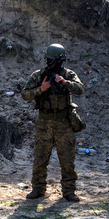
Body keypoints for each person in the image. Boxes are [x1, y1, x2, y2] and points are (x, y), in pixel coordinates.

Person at [21, 43, 85, 202]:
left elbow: (80, 89)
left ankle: (69, 191)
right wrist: (41, 89)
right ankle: (38, 189)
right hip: (44, 122)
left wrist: (65, 82)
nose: (50, 63)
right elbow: (25, 94)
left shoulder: (68, 74)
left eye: (52, 60)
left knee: (67, 160)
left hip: (64, 123)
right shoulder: (39, 75)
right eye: (48, 60)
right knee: (40, 158)